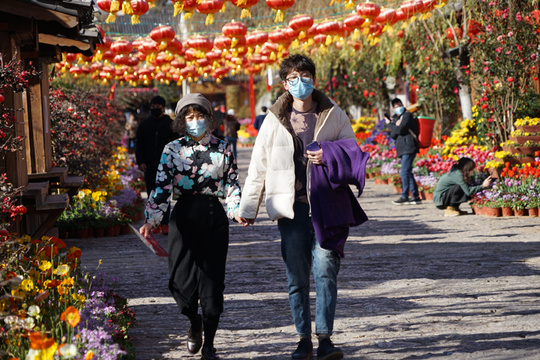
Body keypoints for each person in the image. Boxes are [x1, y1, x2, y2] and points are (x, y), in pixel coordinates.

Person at [238, 54, 357, 360]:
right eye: (293, 78)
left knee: (326, 269)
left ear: (313, 80)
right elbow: (258, 165)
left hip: (327, 207)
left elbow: (352, 152)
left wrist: (328, 156)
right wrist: (248, 207)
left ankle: (325, 338)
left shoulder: (334, 114)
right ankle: (303, 338)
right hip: (290, 209)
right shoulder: (273, 121)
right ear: (285, 83)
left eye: (305, 76)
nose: (300, 82)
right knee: (297, 276)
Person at [139, 93, 242, 360]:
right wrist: (151, 220)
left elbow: (231, 184)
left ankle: (209, 345)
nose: (195, 121)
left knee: (212, 283)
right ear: (182, 121)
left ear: (209, 119)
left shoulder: (223, 148)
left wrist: (236, 210)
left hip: (213, 218)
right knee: (179, 282)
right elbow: (160, 187)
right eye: (189, 116)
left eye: (199, 116)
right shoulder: (172, 150)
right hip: (183, 217)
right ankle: (193, 322)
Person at [135, 96, 179, 235]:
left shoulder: (170, 124)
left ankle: (165, 223)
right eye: (153, 106)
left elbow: (176, 145)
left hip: (166, 166)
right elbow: (138, 144)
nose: (155, 108)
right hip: (150, 166)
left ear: (163, 107)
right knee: (151, 195)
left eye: (158, 106)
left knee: (165, 195)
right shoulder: (144, 125)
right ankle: (153, 223)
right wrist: (140, 161)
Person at [384, 98, 421, 205]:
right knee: (407, 172)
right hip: (402, 148)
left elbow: (400, 130)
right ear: (393, 108)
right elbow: (393, 134)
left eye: (399, 105)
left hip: (409, 147)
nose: (398, 108)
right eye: (396, 107)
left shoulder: (407, 115)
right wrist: (394, 124)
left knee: (404, 171)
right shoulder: (396, 118)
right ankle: (415, 196)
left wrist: (390, 125)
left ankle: (405, 195)